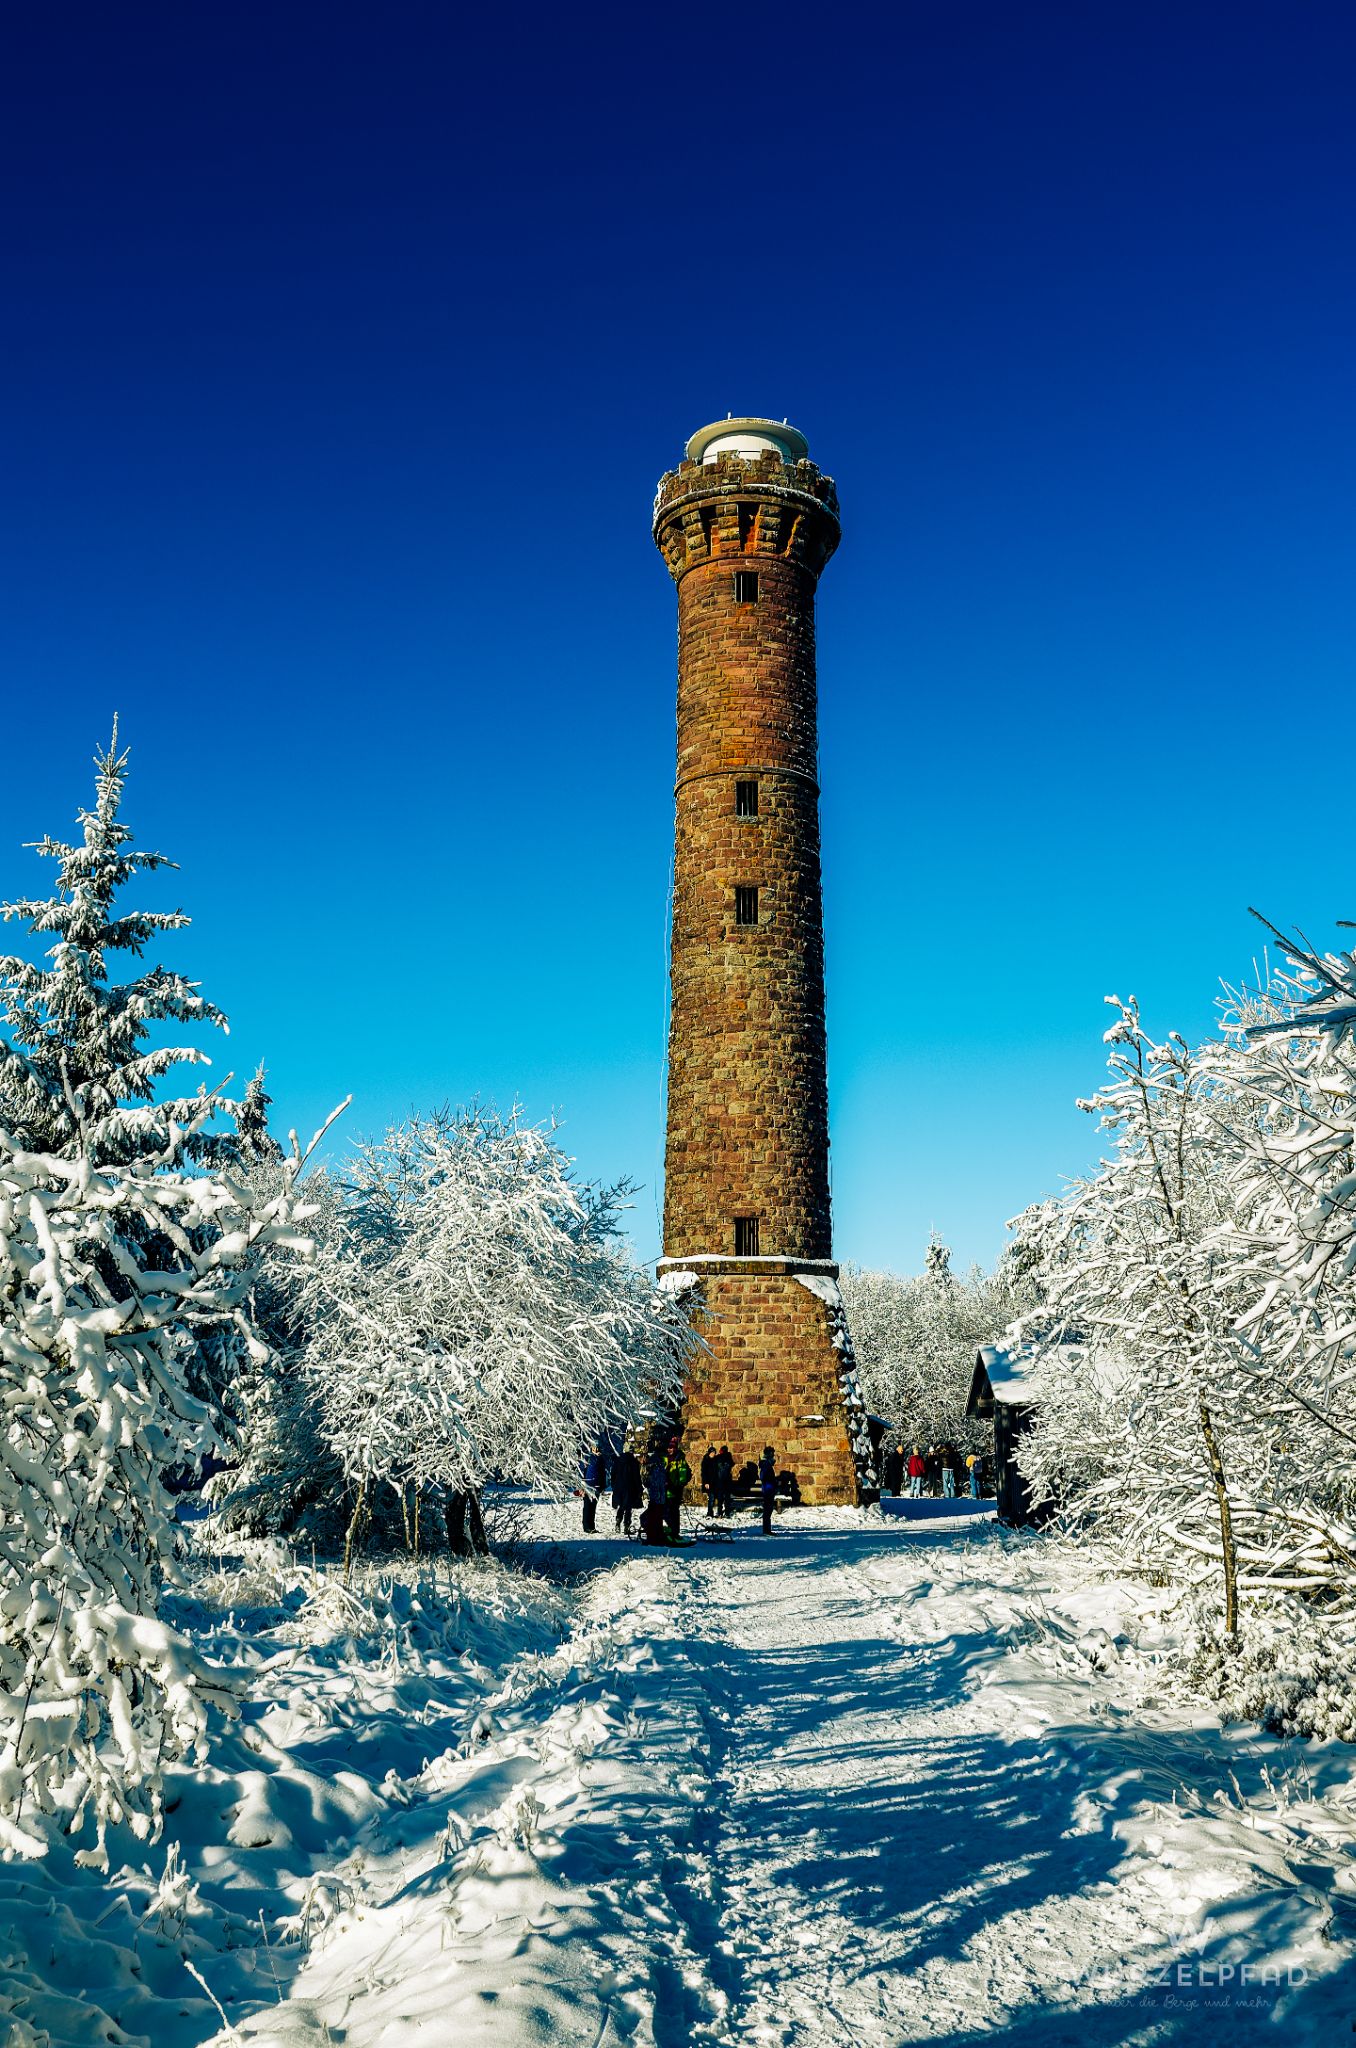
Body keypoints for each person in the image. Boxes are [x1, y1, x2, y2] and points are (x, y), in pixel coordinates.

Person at [663, 1436, 691, 1543]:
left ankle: (675, 1533)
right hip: (663, 1492)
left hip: (675, 1492)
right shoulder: (663, 1459)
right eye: (668, 1447)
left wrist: (680, 1485)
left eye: (672, 1447)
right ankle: (669, 1531)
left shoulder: (680, 1460)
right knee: (664, 1513)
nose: (670, 1449)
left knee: (674, 1513)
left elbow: (685, 1475)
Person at [613, 1444, 643, 1535]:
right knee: (628, 1508)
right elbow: (636, 1477)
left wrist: (614, 1486)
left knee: (621, 1506)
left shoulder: (618, 1460)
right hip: (630, 1488)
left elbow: (613, 1474)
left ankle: (618, 1521)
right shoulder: (633, 1462)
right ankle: (626, 1526)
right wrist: (639, 1489)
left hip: (619, 1487)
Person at [640, 1446, 667, 1544]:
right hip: (659, 1496)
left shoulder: (652, 1466)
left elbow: (646, 1481)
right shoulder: (659, 1465)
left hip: (656, 1496)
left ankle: (654, 1537)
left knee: (654, 1518)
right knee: (656, 1518)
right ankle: (656, 1537)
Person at [582, 1442, 606, 1532]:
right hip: (588, 1485)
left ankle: (592, 1526)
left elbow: (603, 1473)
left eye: (597, 1448)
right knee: (588, 1506)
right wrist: (582, 1485)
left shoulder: (601, 1458)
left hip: (597, 1486)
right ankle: (587, 1527)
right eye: (595, 1448)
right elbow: (583, 1471)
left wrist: (602, 1486)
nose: (596, 1450)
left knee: (593, 1507)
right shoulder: (588, 1457)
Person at [758, 1445, 777, 1534]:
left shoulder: (767, 1464)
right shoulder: (766, 1464)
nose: (773, 1456)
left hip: (769, 1489)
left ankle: (767, 1530)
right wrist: (771, 1481)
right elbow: (763, 1476)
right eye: (772, 1454)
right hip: (768, 1489)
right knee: (767, 1510)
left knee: (768, 1510)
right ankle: (766, 1530)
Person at [716, 1445, 735, 1517]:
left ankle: (719, 1512)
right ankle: (727, 1512)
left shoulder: (718, 1457)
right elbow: (732, 1464)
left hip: (720, 1480)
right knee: (727, 1497)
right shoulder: (729, 1457)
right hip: (727, 1480)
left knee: (720, 1497)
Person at [700, 1444, 719, 1518]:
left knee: (714, 1498)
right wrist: (706, 1482)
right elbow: (704, 1473)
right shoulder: (706, 1460)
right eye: (712, 1453)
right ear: (709, 1453)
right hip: (709, 1482)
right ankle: (709, 1513)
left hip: (715, 1482)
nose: (713, 1454)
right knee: (711, 1498)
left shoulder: (716, 1460)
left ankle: (716, 1512)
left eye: (714, 1452)